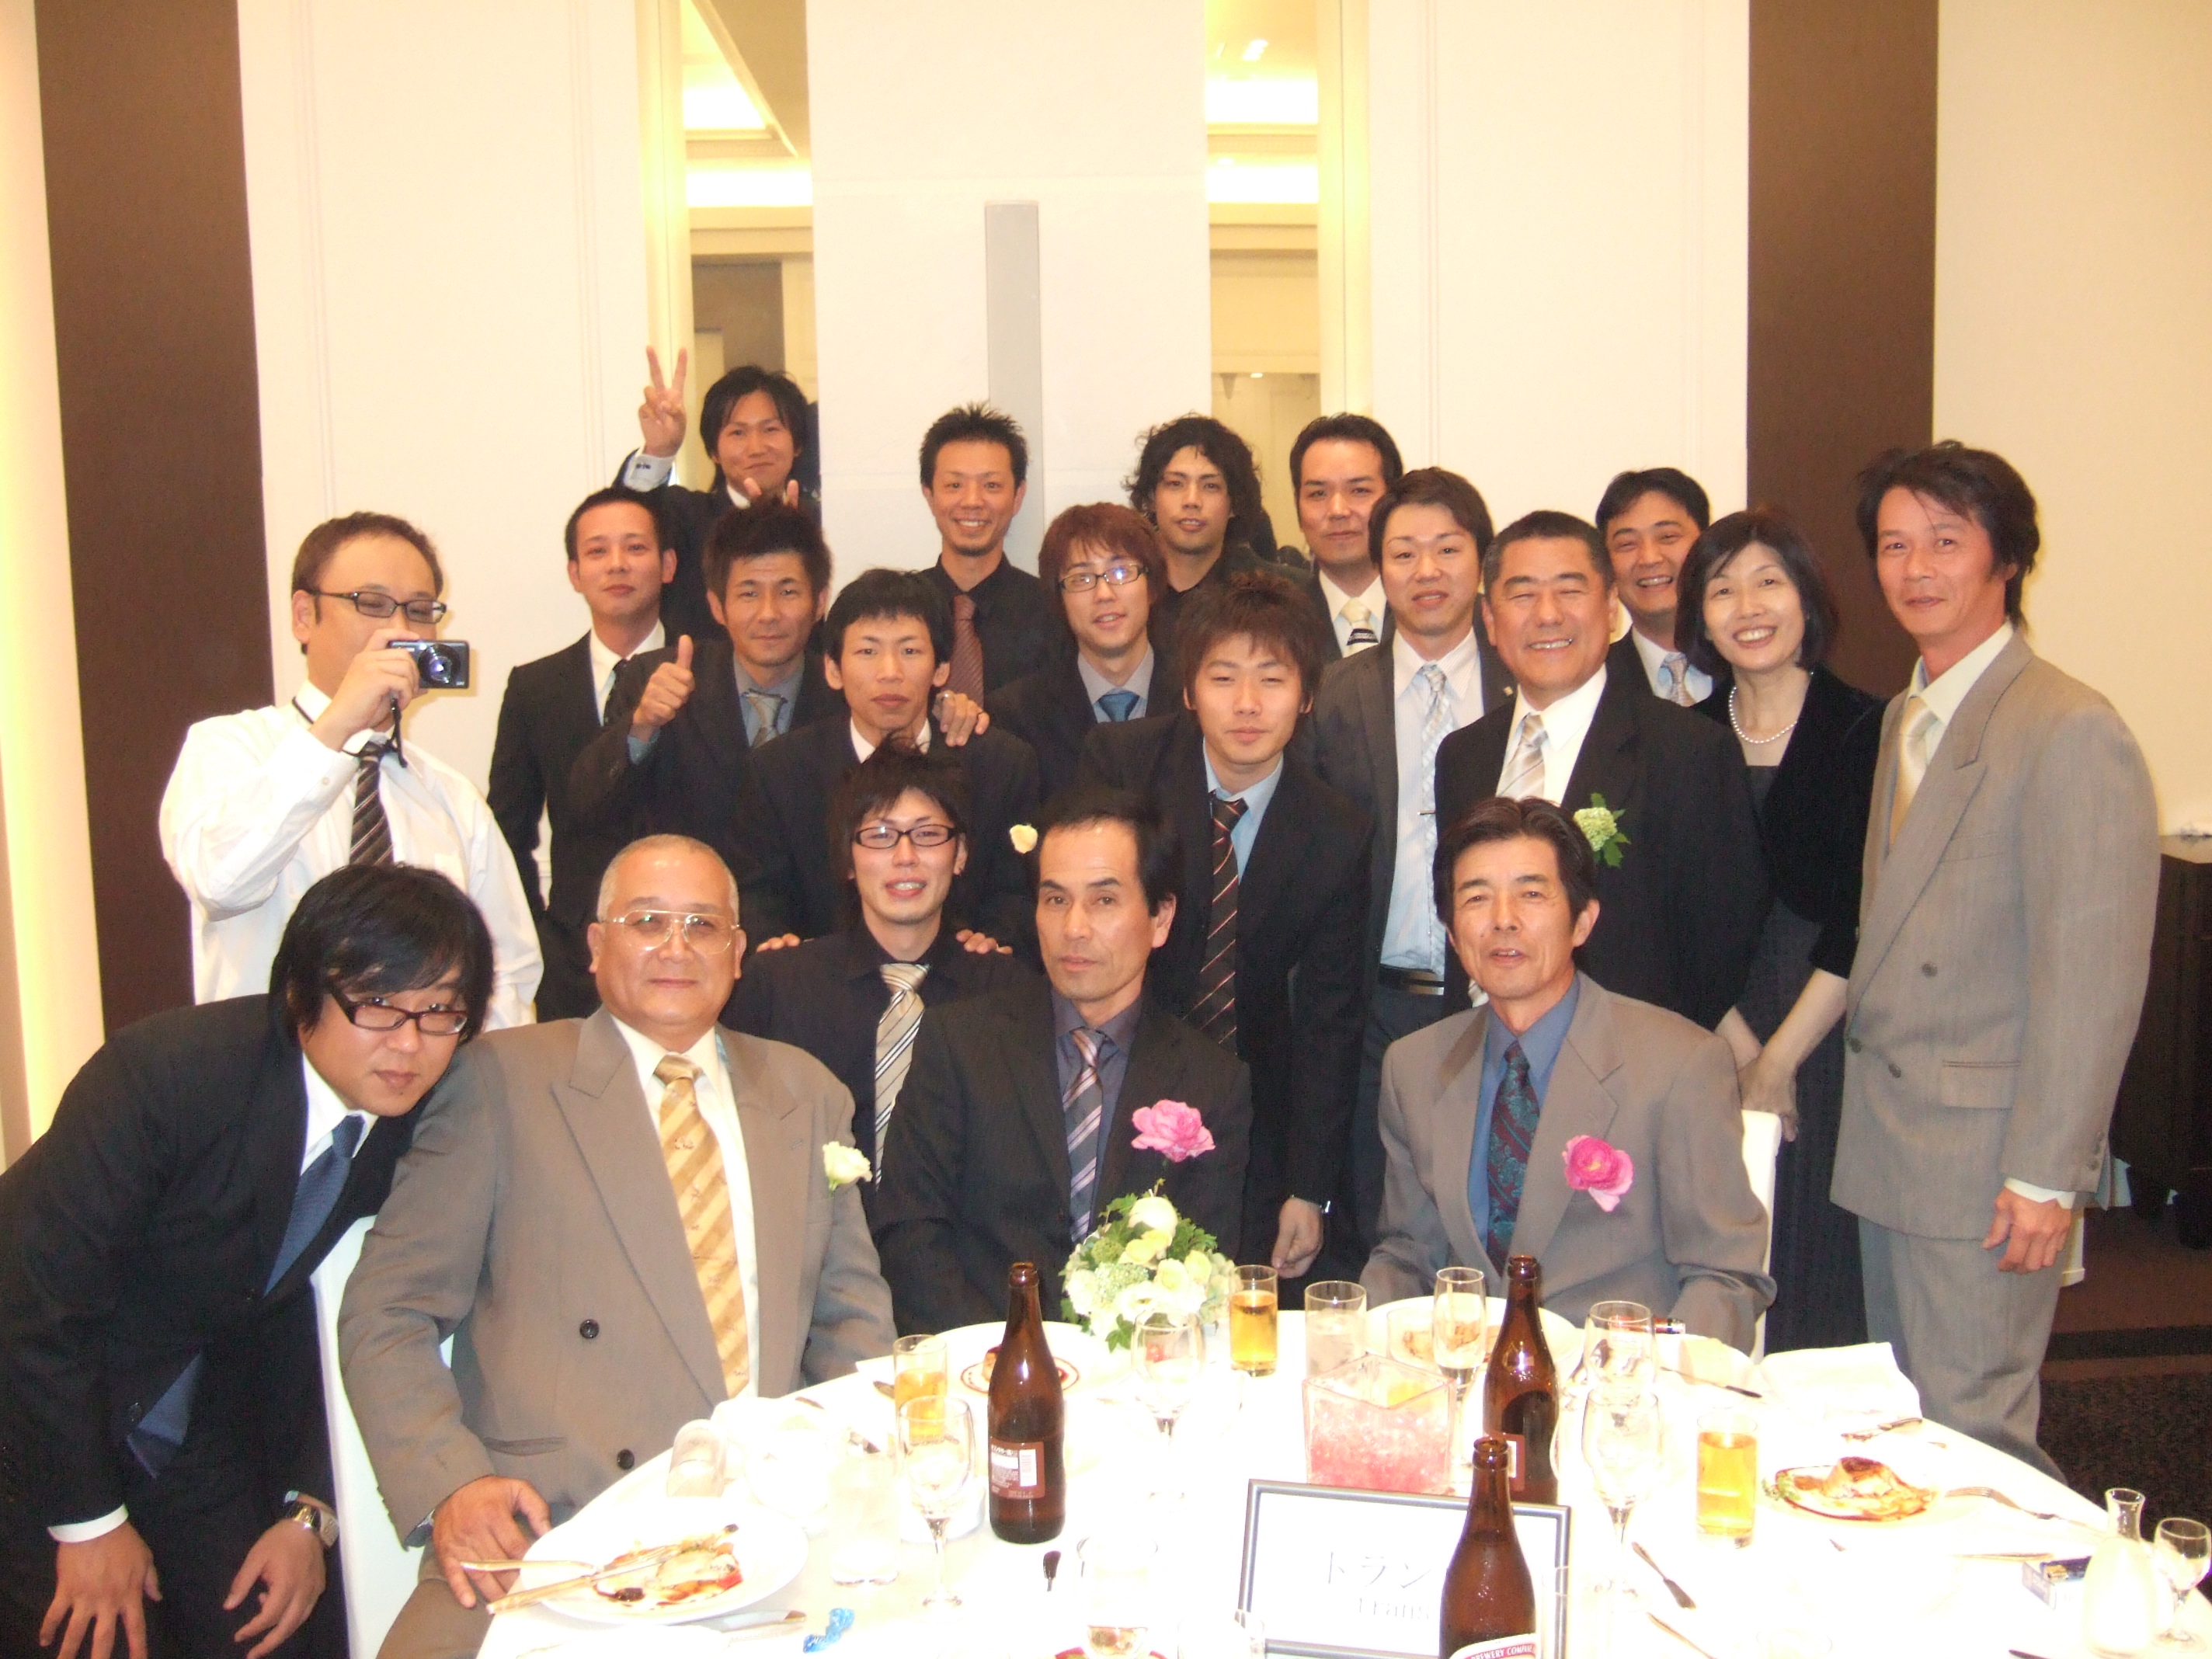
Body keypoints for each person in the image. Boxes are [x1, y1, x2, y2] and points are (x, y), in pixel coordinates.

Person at [339, 835, 895, 1658]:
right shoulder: (502, 1080)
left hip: (770, 1533)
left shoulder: (804, 1091)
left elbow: (851, 1321)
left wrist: (849, 1471)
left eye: (702, 925)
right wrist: (453, 1483)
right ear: (597, 946)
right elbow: (387, 1310)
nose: (676, 947)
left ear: (738, 953)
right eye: (647, 921)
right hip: (555, 1536)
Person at [0, 866, 494, 1659]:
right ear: (301, 993)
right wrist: (88, 1524)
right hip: (34, 1418)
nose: (409, 1043)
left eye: (440, 1011)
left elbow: (320, 1313)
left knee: (265, 1632)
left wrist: (308, 1510)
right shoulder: (165, 1077)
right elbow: (36, 1308)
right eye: (377, 1004)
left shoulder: (416, 1120)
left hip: (188, 1419)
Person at [1835, 442, 2158, 1473]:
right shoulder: (1907, 716)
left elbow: (2092, 979)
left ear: (2006, 558)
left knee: (1975, 1438)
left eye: (1946, 541)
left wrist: (2046, 1177)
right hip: (1893, 1146)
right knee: (1903, 1434)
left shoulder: (2069, 727)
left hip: (1986, 1167)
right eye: (1894, 546)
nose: (1916, 568)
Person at [1361, 797, 1773, 1348]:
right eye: (1476, 898)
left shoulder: (1679, 1064)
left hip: (1618, 1379)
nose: (1503, 919)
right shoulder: (1413, 1067)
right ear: (1453, 935)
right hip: (1461, 1376)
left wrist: (1652, 1375)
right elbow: (1407, 1254)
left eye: (1531, 894)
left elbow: (1725, 1278)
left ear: (1582, 922)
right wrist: (1360, 1343)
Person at [874, 788, 1251, 1334]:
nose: (1074, 927)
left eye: (1104, 901)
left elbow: (1205, 1268)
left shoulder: (1211, 1082)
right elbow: (911, 1233)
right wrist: (1006, 1357)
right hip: (979, 1357)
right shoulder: (959, 1045)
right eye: (1055, 900)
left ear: (1161, 917)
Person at [1078, 571, 1369, 1277]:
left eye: (1272, 679)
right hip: (1111, 1084)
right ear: (1188, 690)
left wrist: (1310, 1188)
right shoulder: (1125, 769)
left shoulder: (1336, 829)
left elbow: (1330, 1019)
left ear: (1306, 696)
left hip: (1253, 1106)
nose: (1246, 704)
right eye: (1223, 677)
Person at [160, 512, 541, 1029]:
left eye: (420, 611)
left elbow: (506, 974)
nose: (400, 631)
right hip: (268, 1067)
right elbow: (220, 882)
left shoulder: (451, 797)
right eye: (372, 604)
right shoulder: (231, 747)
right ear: (304, 616)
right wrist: (339, 726)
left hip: (423, 1072)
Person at [1673, 508, 1883, 1351]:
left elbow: (1862, 914)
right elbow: (1671, 913)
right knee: (1717, 1259)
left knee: (1817, 1270)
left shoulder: (1868, 729)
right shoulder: (1681, 738)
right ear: (1700, 616)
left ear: (1807, 598)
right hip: (1708, 1039)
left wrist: (1778, 1062)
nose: (1748, 606)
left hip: (1829, 1041)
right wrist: (1735, 1050)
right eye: (1722, 589)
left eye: (1769, 582)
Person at [1434, 510, 1765, 1032]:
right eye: (1523, 595)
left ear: (1611, 607)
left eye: (1570, 591)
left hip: (1630, 1059)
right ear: (1490, 620)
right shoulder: (1462, 756)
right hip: (1482, 1051)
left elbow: (1722, 943)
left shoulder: (1689, 752)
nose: (1548, 615)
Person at [1309, 469, 1515, 1257]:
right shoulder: (1334, 696)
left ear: (1480, 560)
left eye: (1447, 549)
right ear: (1380, 566)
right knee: (1384, 1228)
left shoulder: (1523, 685)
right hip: (1377, 1008)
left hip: (1497, 995)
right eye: (1403, 553)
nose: (1426, 571)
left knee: (1495, 1216)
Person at [729, 744, 1033, 1227]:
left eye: (928, 835)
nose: (905, 857)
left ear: (960, 855)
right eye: (880, 836)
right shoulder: (780, 988)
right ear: (847, 861)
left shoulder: (1008, 994)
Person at [734, 569, 1042, 951]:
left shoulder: (1001, 766)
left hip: (965, 977)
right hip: (820, 978)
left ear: (942, 669)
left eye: (910, 651)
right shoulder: (779, 772)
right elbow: (760, 897)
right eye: (868, 651)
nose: (890, 673)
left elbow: (1018, 895)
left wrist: (992, 944)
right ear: (833, 669)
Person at [569, 502, 840, 886]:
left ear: (820, 601)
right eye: (748, 593)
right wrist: (642, 726)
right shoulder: (656, 677)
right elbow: (587, 806)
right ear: (717, 606)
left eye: (788, 591)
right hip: (688, 909)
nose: (768, 613)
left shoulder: (844, 694)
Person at [488, 486, 674, 1019]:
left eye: (635, 548)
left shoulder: (708, 672)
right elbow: (507, 830)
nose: (617, 564)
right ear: (574, 573)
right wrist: (539, 936)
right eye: (597, 551)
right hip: (573, 957)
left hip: (689, 945)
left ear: (667, 565)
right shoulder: (535, 687)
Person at [618, 350, 816, 644]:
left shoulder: (823, 521)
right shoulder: (685, 517)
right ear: (714, 451)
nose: (756, 447)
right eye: (737, 433)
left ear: (797, 443)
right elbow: (622, 522)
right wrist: (659, 452)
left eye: (771, 429)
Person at [987, 503, 1168, 800]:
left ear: (1152, 586)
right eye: (1081, 579)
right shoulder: (1016, 716)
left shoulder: (1197, 701)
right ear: (1059, 600)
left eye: (1121, 572)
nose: (1104, 594)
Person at [915, 404, 1059, 698]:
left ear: (1017, 497)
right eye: (954, 485)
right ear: (929, 495)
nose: (972, 501)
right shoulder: (899, 610)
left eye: (991, 485)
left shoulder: (1054, 613)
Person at [1127, 414, 1272, 670]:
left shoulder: (1271, 595)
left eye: (1210, 486)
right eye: (1175, 484)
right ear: (1151, 497)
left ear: (1234, 503)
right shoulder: (1124, 590)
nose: (1192, 500)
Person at [1289, 412, 1404, 660]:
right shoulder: (1274, 623)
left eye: (1359, 490)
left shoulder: (1445, 612)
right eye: (1318, 494)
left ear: (1393, 503)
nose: (1338, 511)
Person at [1597, 467, 1715, 705]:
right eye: (1627, 544)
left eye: (1668, 537)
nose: (1649, 558)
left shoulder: (1752, 661)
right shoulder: (1594, 682)